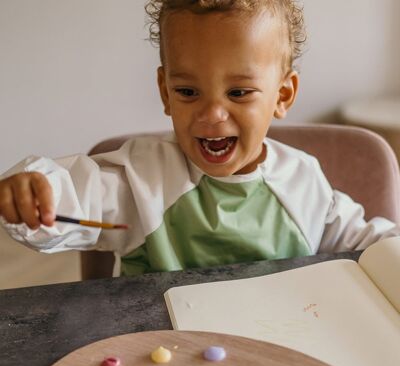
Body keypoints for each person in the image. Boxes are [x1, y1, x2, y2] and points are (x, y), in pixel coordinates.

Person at [0, 0, 398, 276]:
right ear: (165, 92)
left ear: (283, 95)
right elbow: (71, 198)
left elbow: (369, 242)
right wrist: (37, 191)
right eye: (189, 92)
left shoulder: (303, 180)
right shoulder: (140, 178)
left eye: (238, 93)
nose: (211, 115)